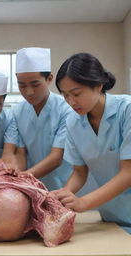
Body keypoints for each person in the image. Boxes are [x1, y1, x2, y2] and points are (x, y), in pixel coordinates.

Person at [54, 52, 131, 233]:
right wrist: (65, 195)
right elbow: (79, 172)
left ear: (98, 85)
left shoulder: (126, 110)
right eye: (65, 95)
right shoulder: (73, 122)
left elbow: (128, 172)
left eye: (76, 93)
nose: (71, 102)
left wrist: (83, 203)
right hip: (111, 218)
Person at [13, 47, 72, 190]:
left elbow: (56, 157)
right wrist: (17, 178)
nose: (29, 92)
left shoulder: (66, 110)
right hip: (31, 187)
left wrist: (22, 179)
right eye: (22, 85)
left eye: (35, 84)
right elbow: (21, 153)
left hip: (64, 185)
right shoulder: (17, 111)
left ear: (49, 79)